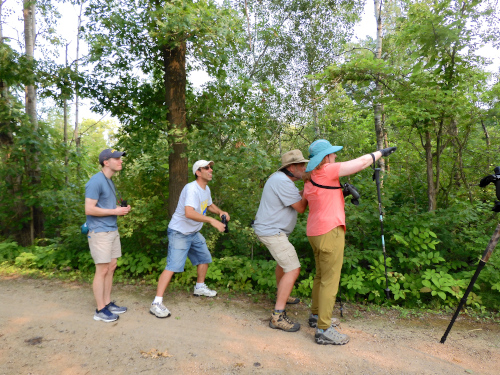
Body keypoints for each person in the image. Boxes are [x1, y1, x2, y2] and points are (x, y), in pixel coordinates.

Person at [302, 139, 396, 345]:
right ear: (325, 157)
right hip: (330, 232)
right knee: (330, 280)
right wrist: (380, 153)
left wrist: (340, 193)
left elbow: (320, 201)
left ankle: (316, 316)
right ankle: (323, 330)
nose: (335, 156)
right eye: (332, 154)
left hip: (315, 232)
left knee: (320, 275)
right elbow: (361, 163)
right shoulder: (327, 170)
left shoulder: (310, 178)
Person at [150, 159, 230, 318]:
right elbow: (189, 213)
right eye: (206, 168)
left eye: (211, 167)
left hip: (193, 232)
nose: (210, 170)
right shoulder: (191, 188)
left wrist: (219, 212)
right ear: (198, 172)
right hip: (179, 232)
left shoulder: (205, 189)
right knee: (172, 266)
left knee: (204, 258)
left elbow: (209, 205)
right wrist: (213, 221)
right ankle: (156, 303)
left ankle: (199, 287)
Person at [253, 150, 309, 332]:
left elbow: (295, 197)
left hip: (272, 230)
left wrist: (305, 189)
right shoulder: (283, 181)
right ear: (291, 168)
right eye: (302, 166)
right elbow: (300, 207)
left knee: (283, 264)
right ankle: (277, 316)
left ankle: (282, 294)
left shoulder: (281, 180)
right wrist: (310, 187)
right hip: (272, 232)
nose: (305, 168)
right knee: (293, 268)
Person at [85, 148, 132, 322]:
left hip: (112, 229)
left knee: (111, 267)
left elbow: (109, 208)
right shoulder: (95, 181)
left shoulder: (109, 181)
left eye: (120, 158)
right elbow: (89, 209)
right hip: (100, 232)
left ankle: (107, 303)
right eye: (117, 158)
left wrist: (121, 210)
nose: (120, 161)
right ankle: (100, 309)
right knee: (102, 269)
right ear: (106, 162)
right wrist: (114, 211)